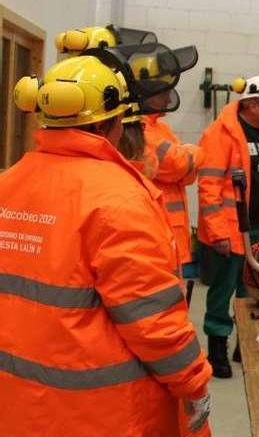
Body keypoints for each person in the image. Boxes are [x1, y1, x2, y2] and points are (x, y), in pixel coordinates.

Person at [1, 52, 212, 436]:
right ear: (114, 121)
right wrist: (193, 383)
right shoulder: (118, 199)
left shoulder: (8, 184)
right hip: (100, 415)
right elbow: (154, 322)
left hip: (19, 408)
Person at [197, 75, 259, 378]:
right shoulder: (219, 134)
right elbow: (208, 186)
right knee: (222, 291)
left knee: (255, 291)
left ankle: (247, 345)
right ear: (252, 103)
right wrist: (216, 232)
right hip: (229, 230)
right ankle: (216, 348)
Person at [142, 90, 205, 271]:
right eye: (164, 94)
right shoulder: (140, 130)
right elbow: (180, 164)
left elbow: (187, 175)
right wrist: (195, 152)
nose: (169, 99)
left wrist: (185, 163)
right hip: (157, 235)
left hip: (173, 235)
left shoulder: (161, 129)